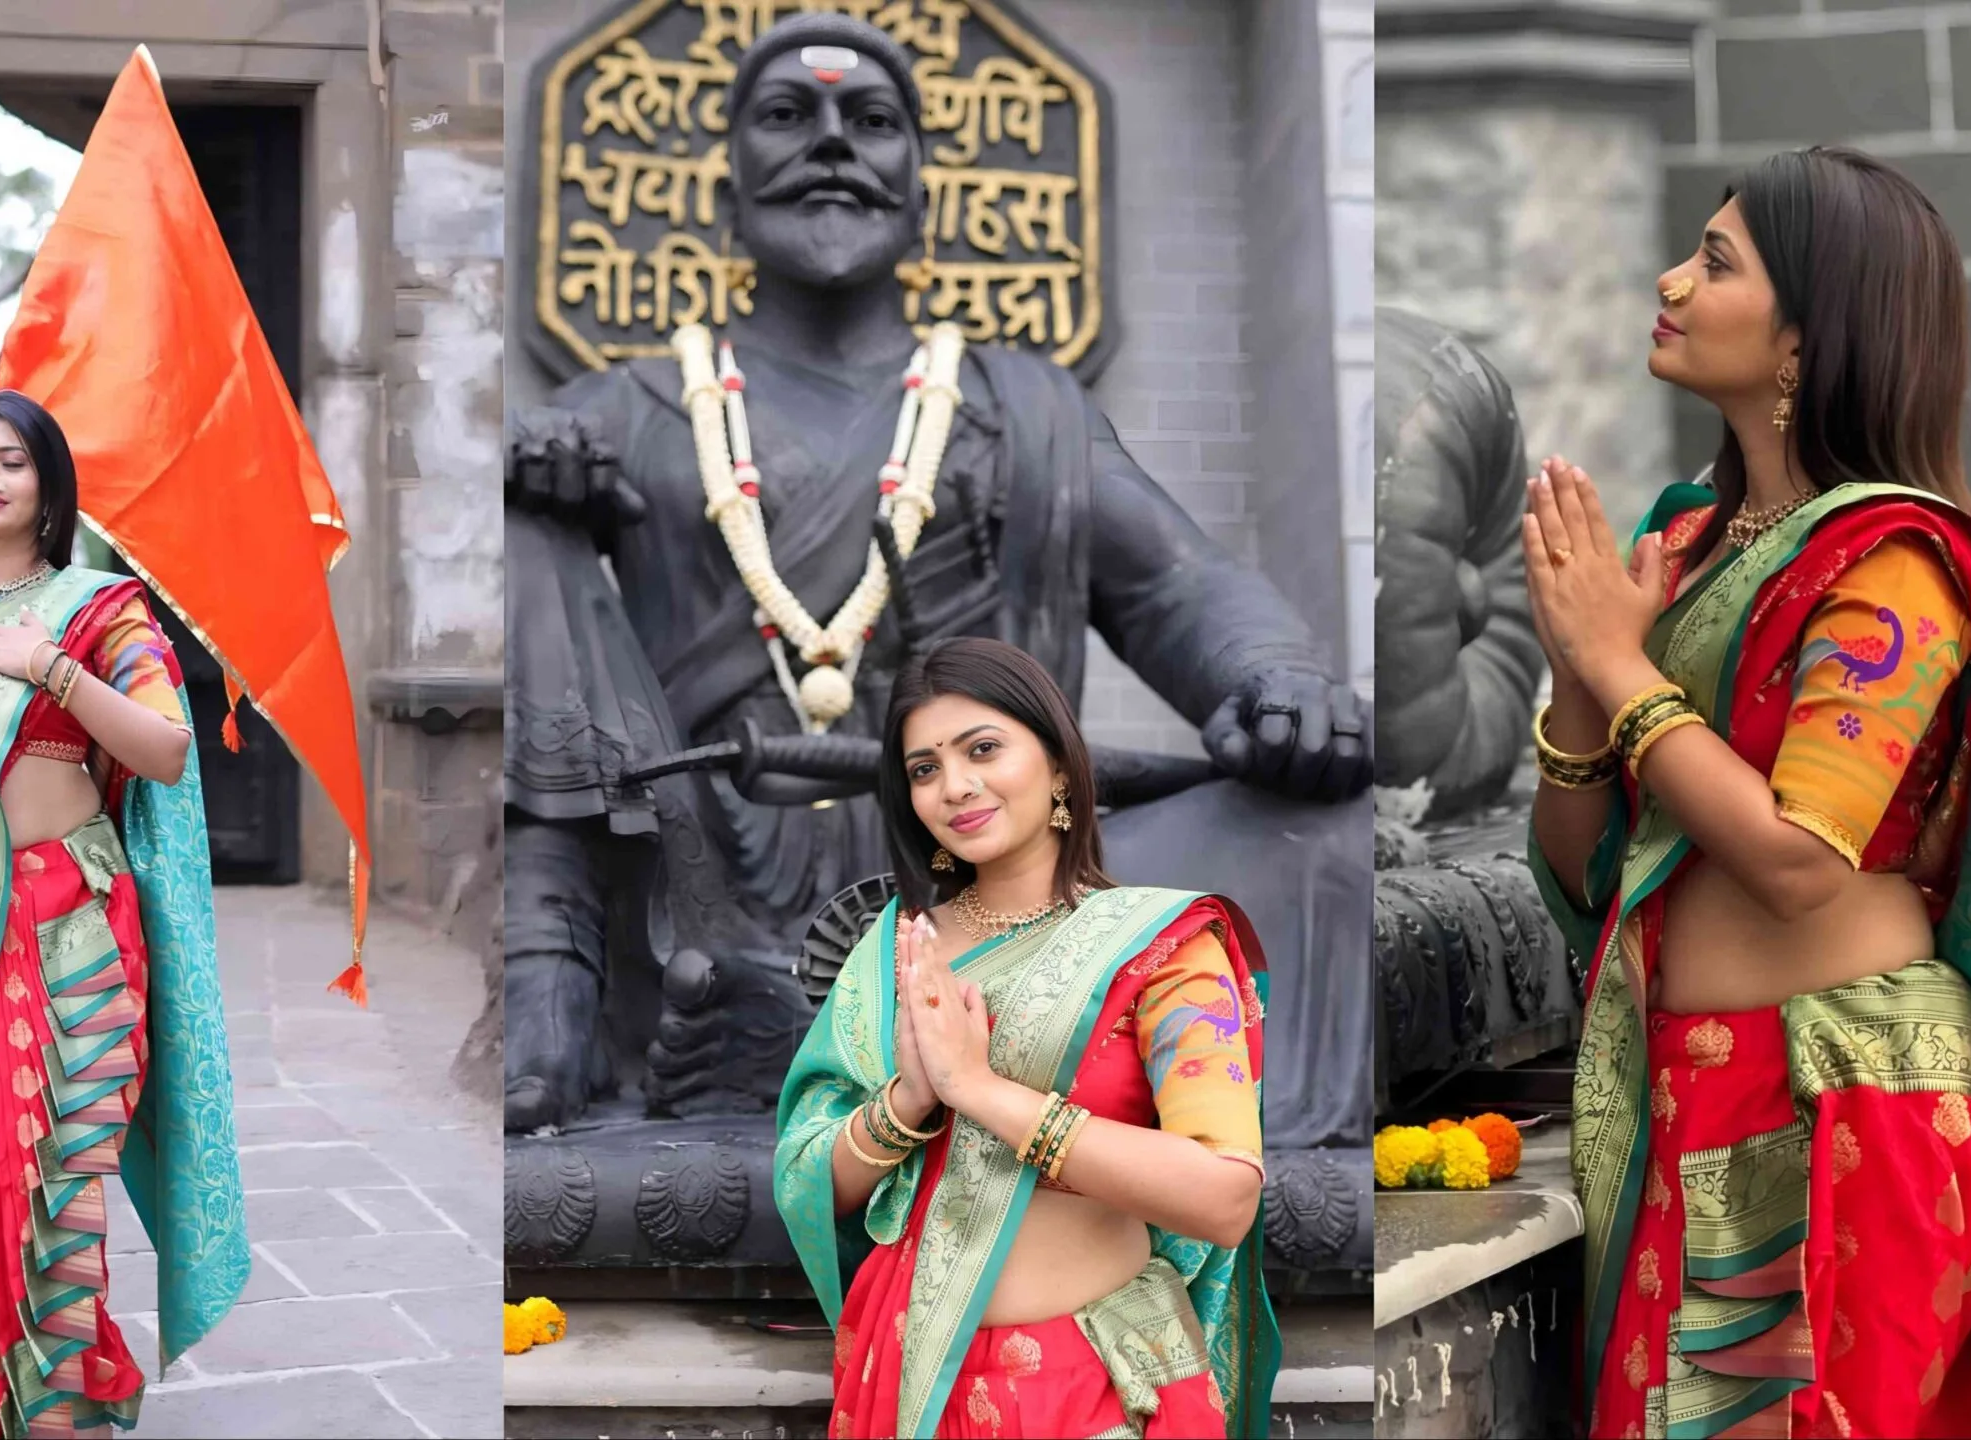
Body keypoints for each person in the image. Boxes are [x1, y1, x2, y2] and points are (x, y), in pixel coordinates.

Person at [503, 12, 1370, 1136]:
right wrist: (523, 469)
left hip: (986, 879)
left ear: (920, 192)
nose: (830, 144)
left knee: (1323, 836)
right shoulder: (626, 410)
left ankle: (882, 1030)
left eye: (869, 121)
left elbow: (1174, 586)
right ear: (725, 191)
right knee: (521, 513)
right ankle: (553, 1000)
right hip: (697, 898)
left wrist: (1274, 676)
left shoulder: (1028, 410)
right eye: (786, 116)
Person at [1521, 146, 1971, 1438]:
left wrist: (1618, 658)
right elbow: (1582, 870)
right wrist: (1579, 679)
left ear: (1807, 340)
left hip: (1843, 1099)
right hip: (1690, 1095)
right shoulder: (1693, 543)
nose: (1670, 278)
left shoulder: (1893, 563)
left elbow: (1796, 860)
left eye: (1715, 261)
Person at [0, 390, 247, 1436]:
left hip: (72, 921)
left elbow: (164, 749)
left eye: (10, 461)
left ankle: (56, 1416)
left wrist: (50, 665)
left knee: (58, 1180)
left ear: (48, 483)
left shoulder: (101, 610)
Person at [773, 638, 1279, 1439]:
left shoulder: (1161, 947)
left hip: (1098, 1384)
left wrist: (980, 1091)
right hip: (908, 1378)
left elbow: (1224, 1198)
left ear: (1061, 767)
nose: (955, 787)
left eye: (983, 749)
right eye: (924, 769)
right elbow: (807, 1182)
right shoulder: (893, 953)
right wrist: (909, 1100)